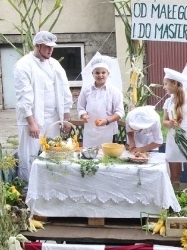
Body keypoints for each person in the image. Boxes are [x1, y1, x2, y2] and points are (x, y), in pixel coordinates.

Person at [14, 31, 73, 181]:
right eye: (47, 47)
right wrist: (31, 123)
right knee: (29, 155)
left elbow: (65, 91)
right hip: (32, 119)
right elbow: (23, 96)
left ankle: (49, 184)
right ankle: (27, 185)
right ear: (37, 45)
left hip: (53, 118)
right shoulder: (24, 65)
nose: (50, 50)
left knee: (52, 152)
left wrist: (66, 118)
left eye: (52, 47)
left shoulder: (55, 64)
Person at [77, 55, 124, 148]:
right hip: (90, 131)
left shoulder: (114, 91)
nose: (100, 75)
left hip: (107, 130)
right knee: (88, 153)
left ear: (108, 74)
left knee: (105, 154)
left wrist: (106, 121)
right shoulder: (86, 90)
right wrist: (84, 115)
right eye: (97, 73)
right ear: (92, 74)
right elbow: (80, 107)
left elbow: (119, 112)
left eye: (103, 72)